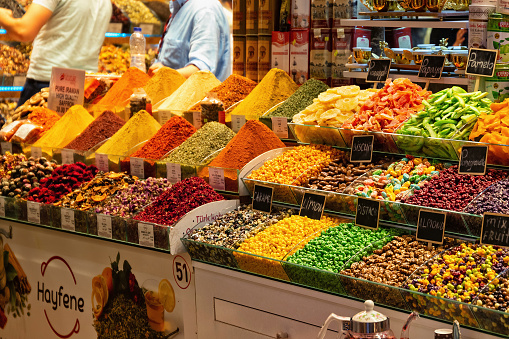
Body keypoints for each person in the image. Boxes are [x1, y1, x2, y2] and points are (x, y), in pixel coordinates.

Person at [0, 0, 112, 107]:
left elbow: (23, 31)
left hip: (47, 85)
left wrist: (2, 15)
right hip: (85, 87)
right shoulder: (105, 2)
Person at [149, 0, 231, 81]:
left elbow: (202, 73)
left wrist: (166, 75)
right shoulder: (180, 7)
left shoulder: (205, 9)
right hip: (172, 93)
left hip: (202, 94)